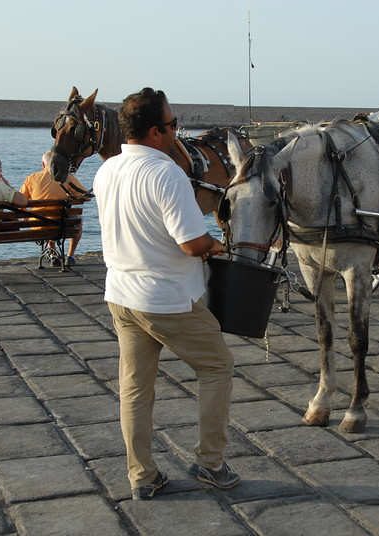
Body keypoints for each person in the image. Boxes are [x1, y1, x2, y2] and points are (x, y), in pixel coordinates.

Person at [93, 87, 239, 500]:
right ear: (156, 132)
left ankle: (142, 476)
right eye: (174, 124)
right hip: (166, 299)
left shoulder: (106, 171)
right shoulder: (166, 173)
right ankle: (211, 463)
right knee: (218, 368)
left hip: (121, 295)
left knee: (136, 389)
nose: (178, 131)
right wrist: (218, 245)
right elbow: (191, 243)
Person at [20, 150, 86, 266]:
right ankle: (70, 256)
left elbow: (20, 201)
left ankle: (52, 253)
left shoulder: (32, 178)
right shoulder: (66, 177)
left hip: (38, 226)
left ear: (43, 164)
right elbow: (85, 196)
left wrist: (25, 216)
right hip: (62, 225)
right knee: (77, 220)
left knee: (44, 217)